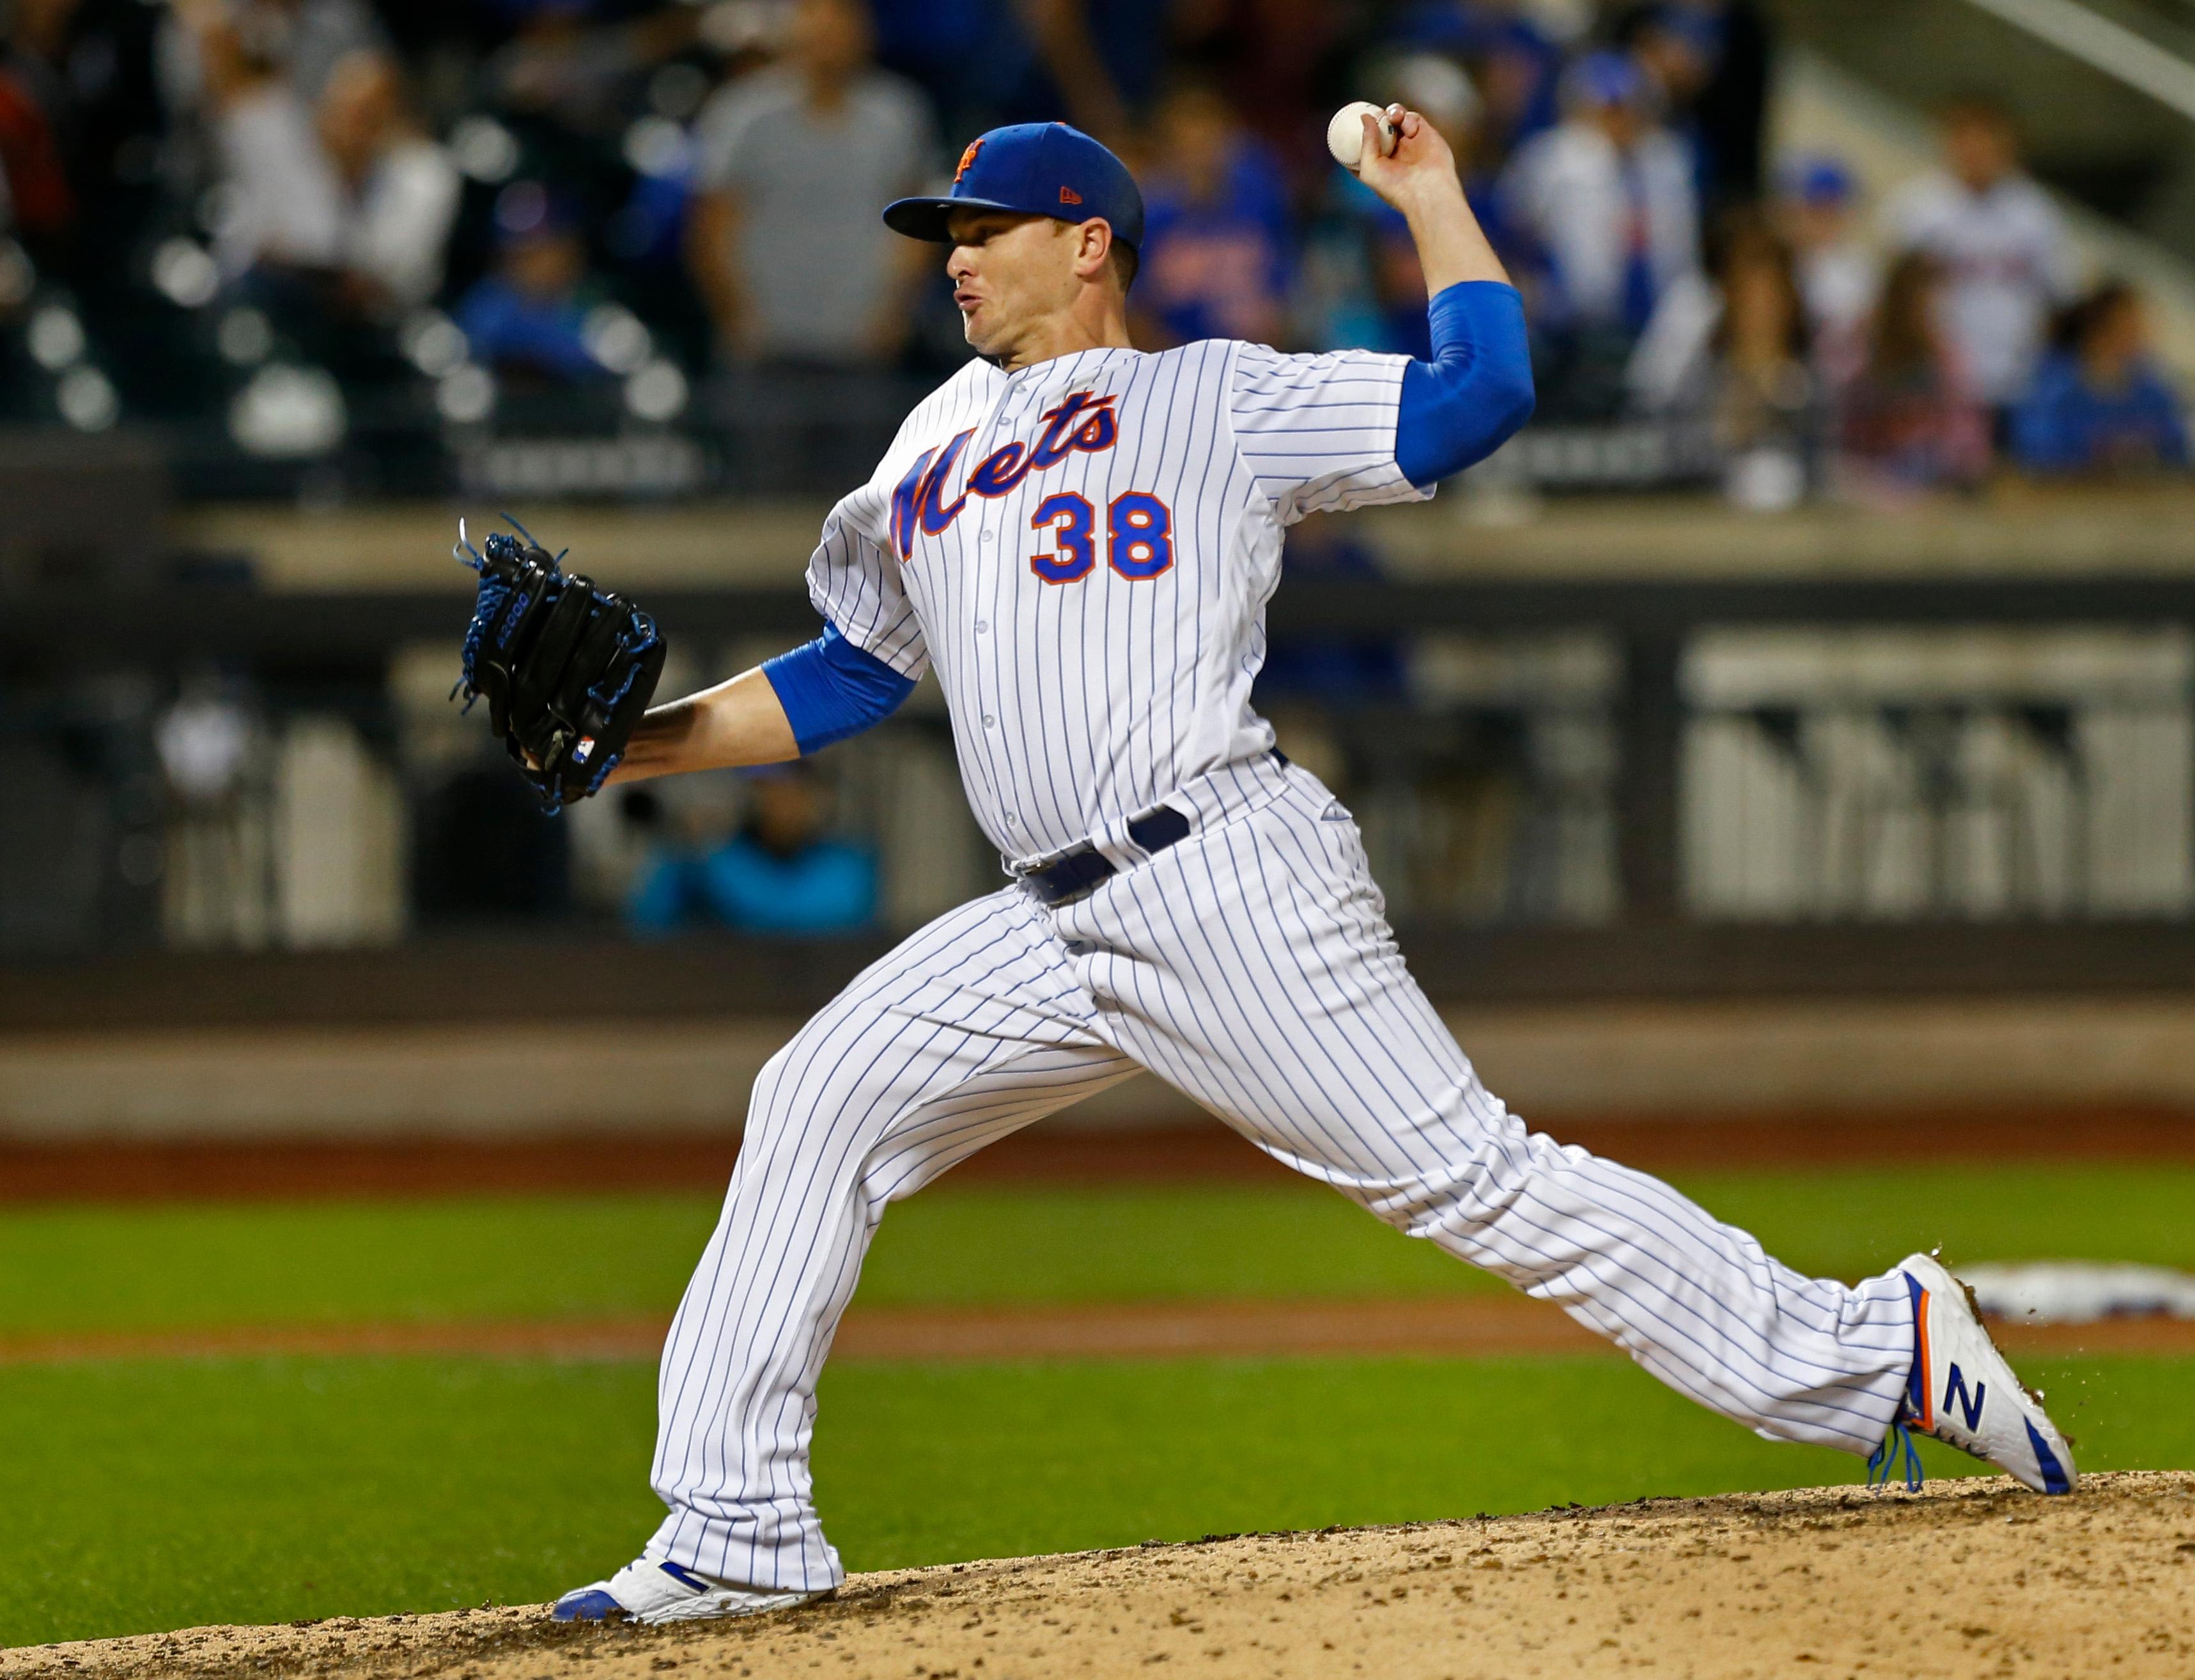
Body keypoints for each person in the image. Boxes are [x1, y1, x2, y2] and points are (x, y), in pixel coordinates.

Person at [547, 109, 2075, 1629]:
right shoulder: (930, 437)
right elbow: (846, 674)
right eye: (945, 234)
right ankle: (736, 1524)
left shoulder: (1213, 396)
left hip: (1216, 875)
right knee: (816, 1099)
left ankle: (1876, 1344)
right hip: (1042, 913)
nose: (953, 258)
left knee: (1474, 1177)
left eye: (980, 229)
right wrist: (638, 745)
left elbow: (1478, 398)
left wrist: (1430, 196)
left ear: (1087, 245)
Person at [686, 0, 937, 368]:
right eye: (813, 17)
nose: (827, 34)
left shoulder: (899, 115)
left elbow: (916, 226)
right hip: (765, 345)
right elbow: (712, 226)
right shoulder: (740, 115)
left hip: (865, 344)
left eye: (841, 20)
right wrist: (737, 320)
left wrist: (894, 315)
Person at [1884, 93, 2077, 413]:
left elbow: (2062, 299)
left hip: (2016, 383)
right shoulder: (1915, 210)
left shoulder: (2036, 214)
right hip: (1935, 383)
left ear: (2007, 146)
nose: (1977, 152)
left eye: (1987, 141)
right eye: (1966, 139)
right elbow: (1893, 302)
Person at [1500, 49, 1699, 341]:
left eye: (1629, 108)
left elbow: (1683, 244)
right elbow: (1516, 223)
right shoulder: (1551, 157)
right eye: (1608, 109)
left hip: (1659, 318)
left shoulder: (1667, 160)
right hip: (1569, 321)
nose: (1620, 120)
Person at [1129, 77, 1293, 350]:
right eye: (1187, 141)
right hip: (1176, 371)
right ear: (1167, 147)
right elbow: (1133, 314)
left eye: (1208, 137)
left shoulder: (1260, 199)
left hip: (1257, 366)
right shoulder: (1148, 217)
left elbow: (1286, 290)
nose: (1200, 152)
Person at [627, 762, 878, 935]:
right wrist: (681, 851)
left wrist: (716, 862)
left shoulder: (847, 865)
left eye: (792, 790)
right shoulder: (707, 855)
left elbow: (798, 917)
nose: (780, 803)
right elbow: (648, 922)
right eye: (766, 790)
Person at [1838, 250, 1991, 498]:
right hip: (1872, 488)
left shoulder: (1952, 364)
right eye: (1923, 302)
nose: (1932, 315)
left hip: (1936, 489)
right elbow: (1846, 440)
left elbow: (1969, 450)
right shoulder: (1862, 357)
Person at [2012, 281, 2189, 479]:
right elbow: (2039, 452)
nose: (2141, 335)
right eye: (2129, 327)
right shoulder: (2056, 391)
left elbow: (2177, 448)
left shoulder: (2153, 393)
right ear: (2099, 331)